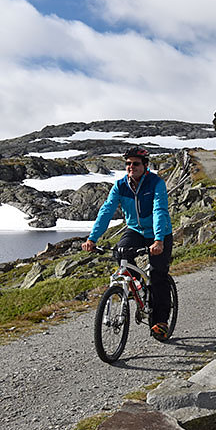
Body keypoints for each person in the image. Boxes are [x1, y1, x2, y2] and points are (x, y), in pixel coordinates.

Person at [82, 146, 174, 340]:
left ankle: (160, 321)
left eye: (136, 164)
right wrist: (92, 238)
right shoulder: (120, 185)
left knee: (158, 276)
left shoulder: (155, 183)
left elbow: (159, 211)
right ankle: (137, 287)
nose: (131, 167)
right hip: (135, 230)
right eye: (128, 164)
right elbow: (106, 211)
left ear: (145, 165)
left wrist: (158, 240)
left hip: (159, 233)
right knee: (121, 253)